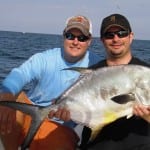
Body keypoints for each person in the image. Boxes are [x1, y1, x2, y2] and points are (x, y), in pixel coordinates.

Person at [49, 14, 150, 150]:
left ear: (131, 36)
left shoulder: (145, 73)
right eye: (109, 35)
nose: (116, 39)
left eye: (121, 33)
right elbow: (80, 107)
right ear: (102, 40)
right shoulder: (91, 74)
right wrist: (65, 113)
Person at [0, 15, 100, 150]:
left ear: (89, 41)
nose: (75, 42)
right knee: (9, 104)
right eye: (70, 36)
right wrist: (7, 96)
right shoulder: (45, 59)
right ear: (63, 36)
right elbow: (19, 75)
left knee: (62, 144)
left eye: (82, 38)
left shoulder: (98, 66)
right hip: (30, 114)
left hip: (61, 125)